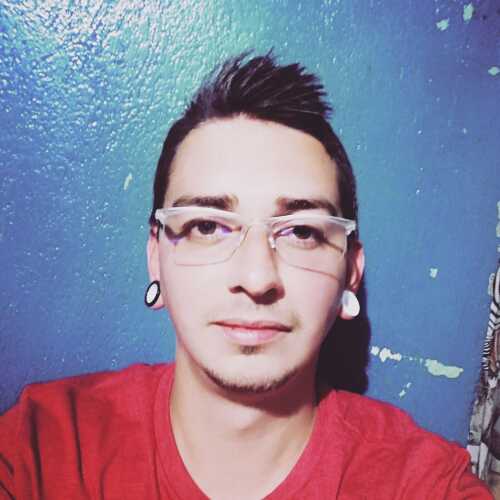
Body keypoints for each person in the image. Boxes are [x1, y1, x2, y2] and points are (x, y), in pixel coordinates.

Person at [0, 52, 492, 499]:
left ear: (351, 273)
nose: (257, 278)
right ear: (156, 256)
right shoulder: (42, 451)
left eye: (302, 231)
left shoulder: (421, 484)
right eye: (207, 226)